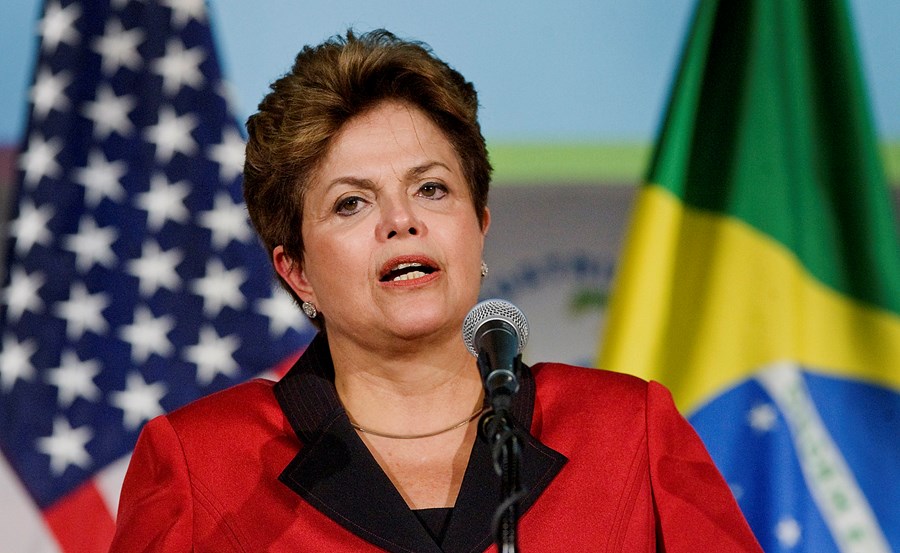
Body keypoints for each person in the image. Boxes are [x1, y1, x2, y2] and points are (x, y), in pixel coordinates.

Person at [109, 29, 763, 552]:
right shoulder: (203, 463)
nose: (402, 220)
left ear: (479, 226)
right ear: (296, 270)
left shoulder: (626, 431)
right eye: (351, 202)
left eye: (431, 188)